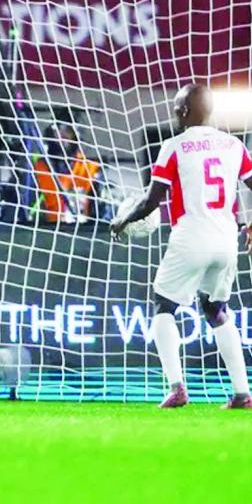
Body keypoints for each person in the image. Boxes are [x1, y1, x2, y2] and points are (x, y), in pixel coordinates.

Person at [111, 83, 252, 409]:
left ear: (184, 111)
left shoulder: (174, 147)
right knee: (216, 310)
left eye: (177, 107)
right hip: (226, 241)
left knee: (164, 305)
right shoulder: (234, 145)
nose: (175, 112)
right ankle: (242, 393)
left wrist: (122, 221)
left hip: (191, 237)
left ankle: (177, 388)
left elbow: (151, 201)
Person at [33, 122, 111, 223]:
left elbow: (101, 211)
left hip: (82, 228)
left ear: (75, 135)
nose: (62, 135)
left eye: (68, 130)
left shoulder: (90, 168)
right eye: (58, 130)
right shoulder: (39, 167)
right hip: (48, 228)